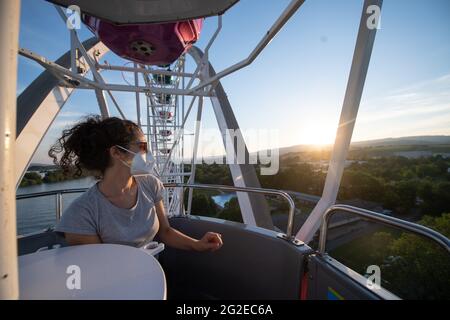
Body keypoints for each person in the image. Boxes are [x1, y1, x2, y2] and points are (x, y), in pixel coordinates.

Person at [49, 115, 223, 252]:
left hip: (154, 272)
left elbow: (165, 232)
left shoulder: (150, 185)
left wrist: (197, 244)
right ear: (117, 152)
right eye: (142, 147)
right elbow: (98, 268)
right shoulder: (81, 214)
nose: (148, 153)